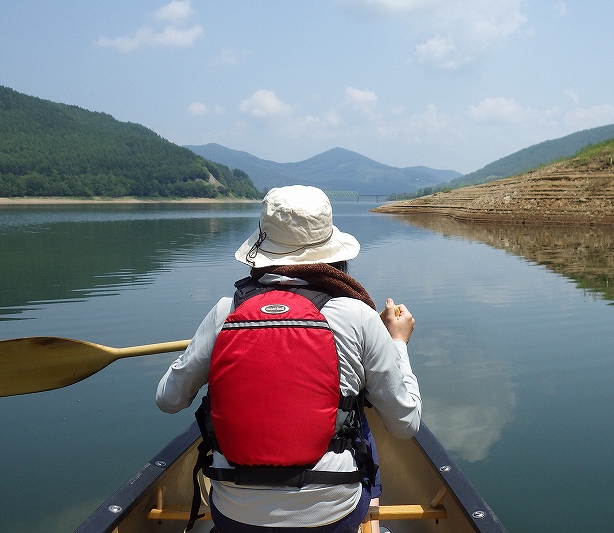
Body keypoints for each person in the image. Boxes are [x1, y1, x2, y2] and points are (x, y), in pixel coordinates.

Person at [156, 185, 422, 532]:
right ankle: (369, 511)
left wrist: (204, 346)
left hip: (237, 517)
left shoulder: (227, 311)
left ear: (262, 248)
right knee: (353, 410)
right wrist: (397, 342)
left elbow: (168, 399)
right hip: (331, 516)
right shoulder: (358, 315)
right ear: (332, 251)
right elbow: (405, 425)